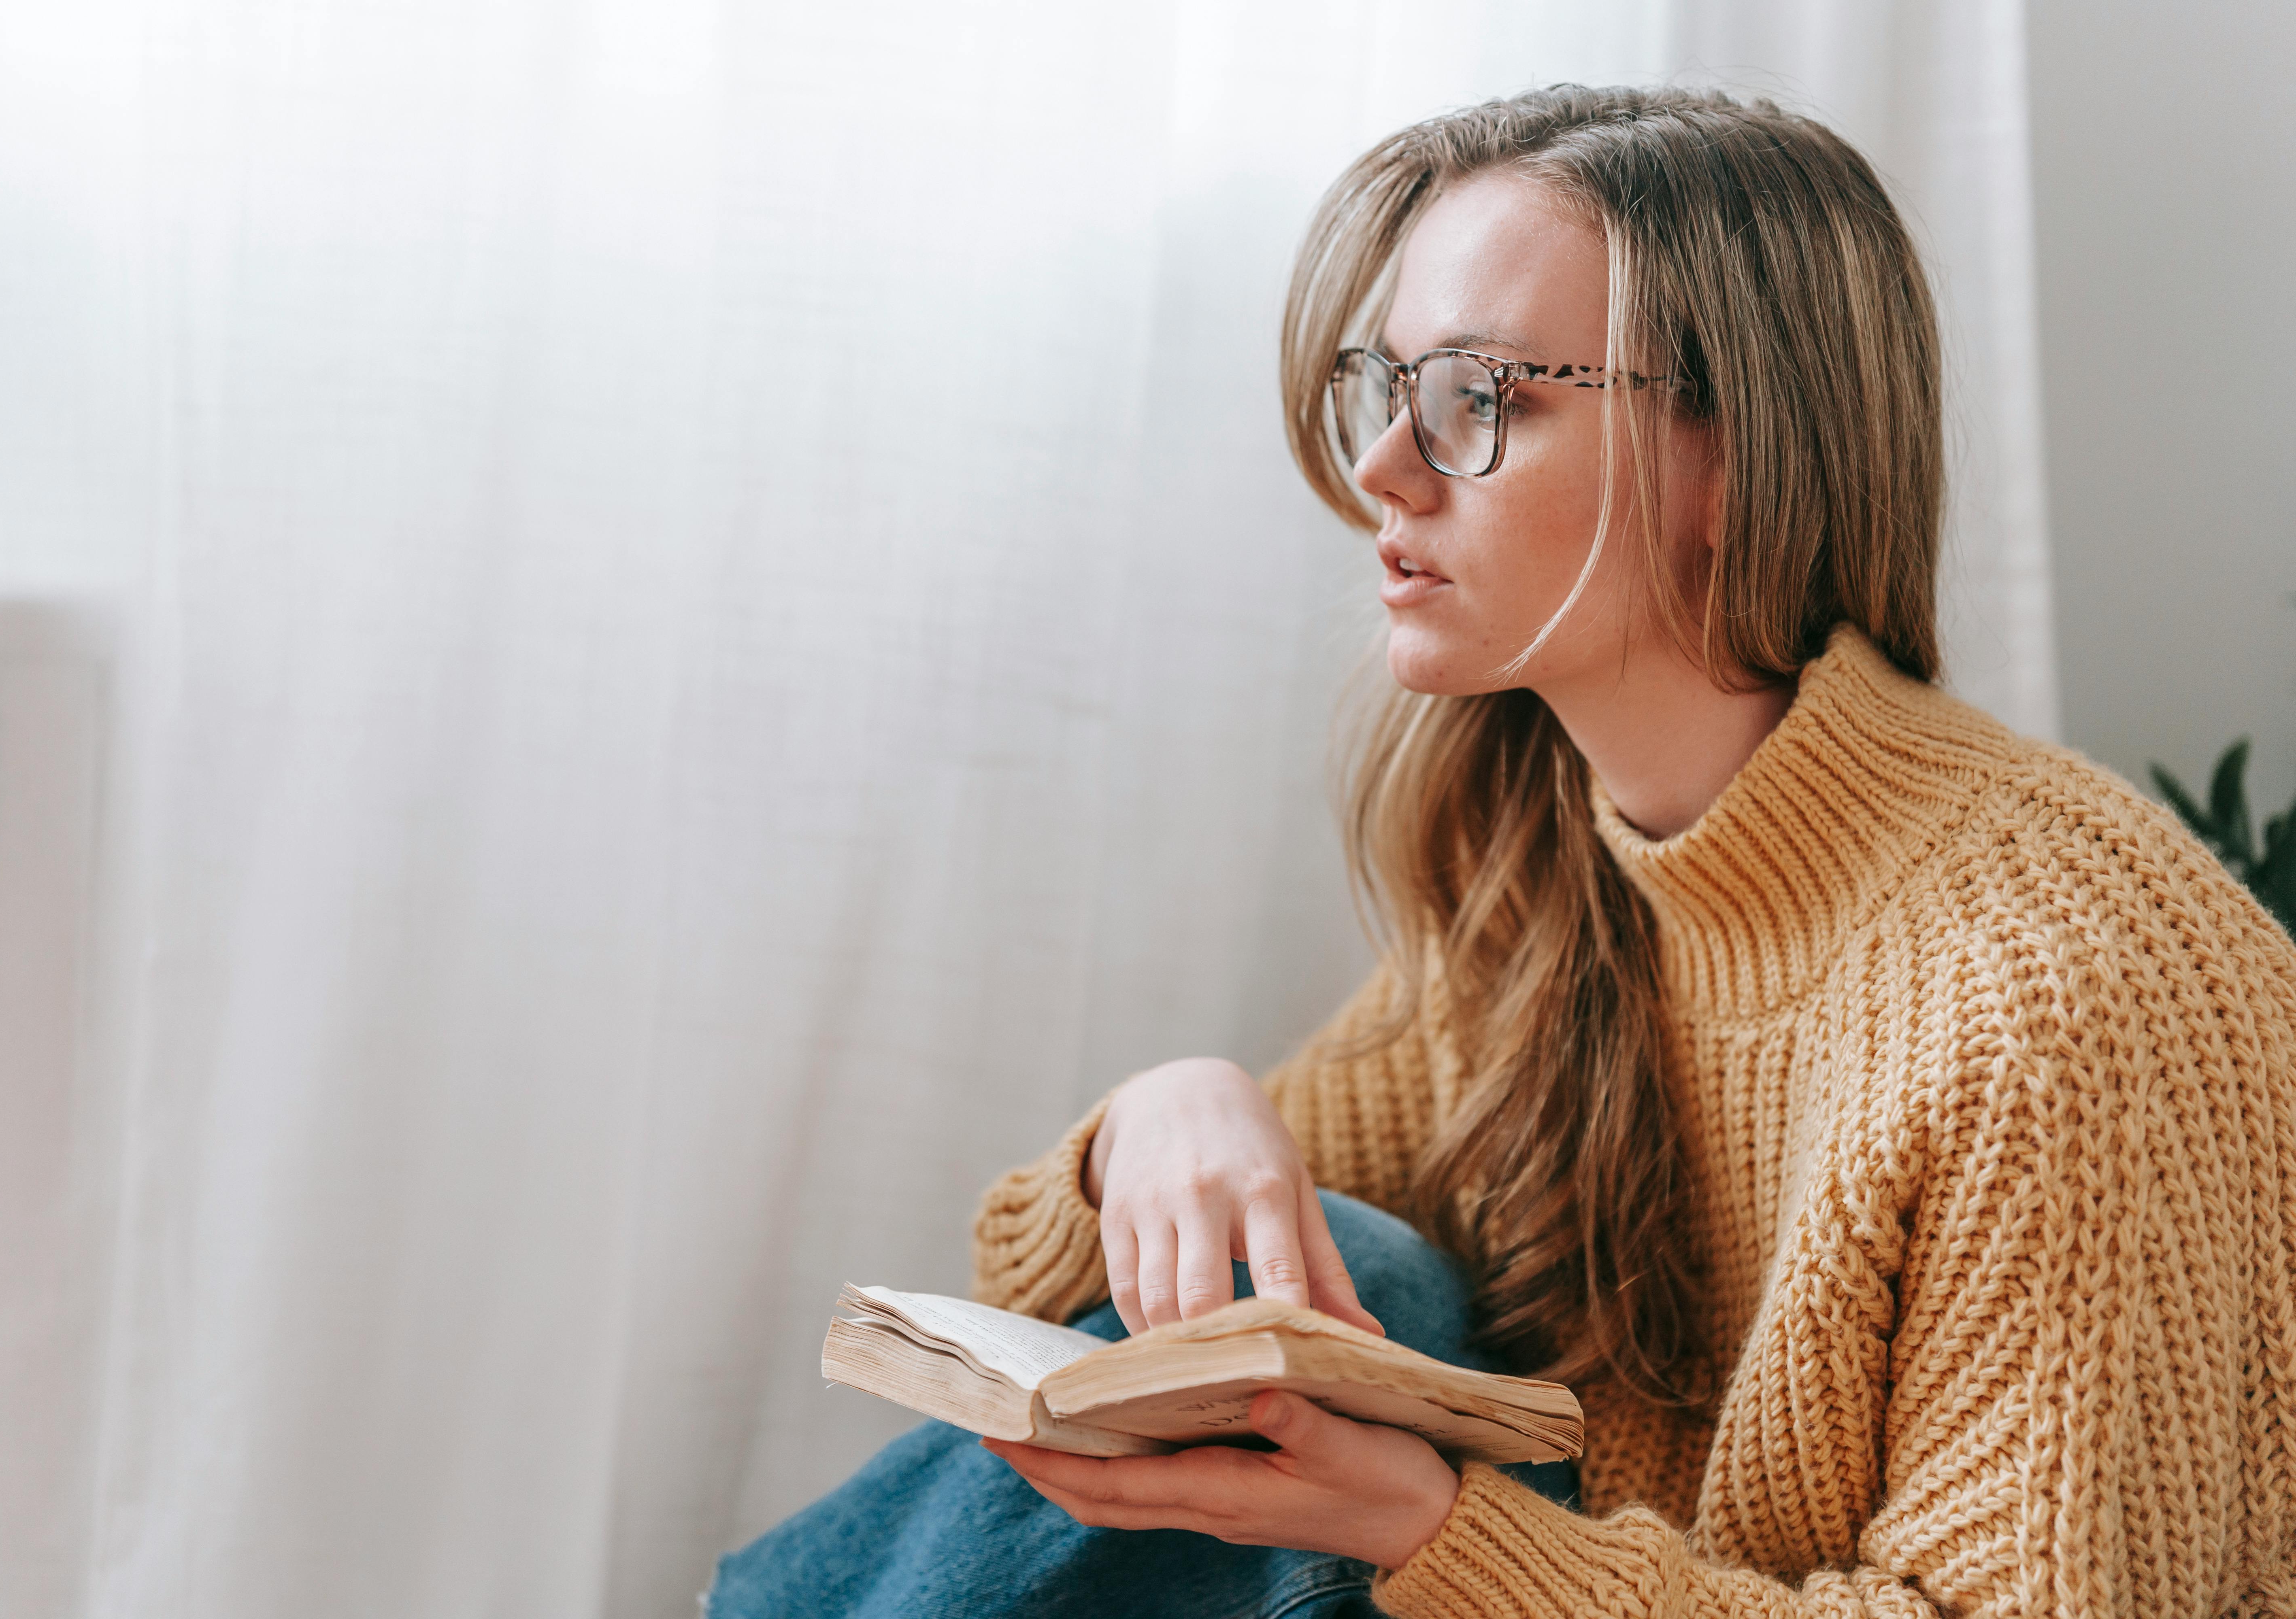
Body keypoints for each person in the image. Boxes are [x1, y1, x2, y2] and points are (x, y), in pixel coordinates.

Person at [711, 83, 2296, 1618]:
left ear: (1730, 455)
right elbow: (1089, 1307)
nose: (1383, 472)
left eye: (1476, 401)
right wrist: (1161, 1119)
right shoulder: (1557, 892)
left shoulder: (2057, 986)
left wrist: (1434, 1532)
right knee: (1320, 1276)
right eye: (1384, 390)